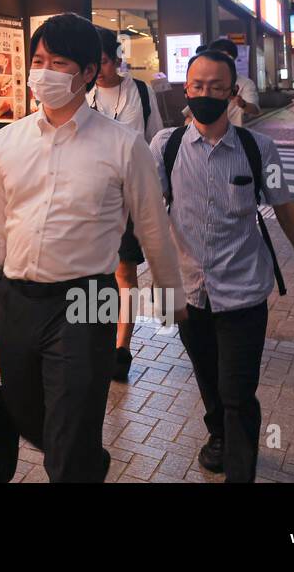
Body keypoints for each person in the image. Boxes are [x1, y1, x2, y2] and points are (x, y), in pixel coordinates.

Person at [0, 13, 187, 483]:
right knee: (30, 414)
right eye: (38, 60)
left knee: (69, 433)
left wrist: (173, 299)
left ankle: (77, 461)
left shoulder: (124, 146)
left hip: (87, 300)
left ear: (89, 71)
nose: (43, 72)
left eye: (58, 62)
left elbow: (153, 228)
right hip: (17, 300)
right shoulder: (7, 141)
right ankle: (86, 457)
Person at [150, 49, 294, 483]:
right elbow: (147, 213)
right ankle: (220, 437)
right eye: (197, 86)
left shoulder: (259, 148)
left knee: (238, 391)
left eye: (216, 87)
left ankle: (240, 471)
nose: (206, 94)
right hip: (189, 290)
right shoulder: (165, 147)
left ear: (232, 93)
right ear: (186, 89)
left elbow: (284, 207)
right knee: (208, 381)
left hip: (244, 291)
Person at [87, 27, 164, 382]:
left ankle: (121, 347)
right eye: (94, 61)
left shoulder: (141, 94)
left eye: (103, 60)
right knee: (92, 272)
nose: (99, 68)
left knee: (124, 273)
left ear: (117, 59)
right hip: (89, 199)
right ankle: (95, 338)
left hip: (128, 197)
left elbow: (155, 143)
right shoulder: (82, 95)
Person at [206, 37, 260, 126]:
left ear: (233, 59)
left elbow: (255, 110)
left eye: (225, 57)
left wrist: (242, 103)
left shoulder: (245, 83)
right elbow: (190, 115)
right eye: (216, 58)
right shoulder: (205, 81)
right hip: (207, 135)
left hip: (235, 135)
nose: (220, 61)